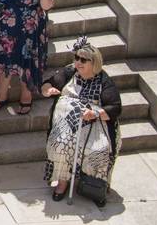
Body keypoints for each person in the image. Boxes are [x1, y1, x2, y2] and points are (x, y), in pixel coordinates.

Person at [42, 37, 122, 206]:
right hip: (66, 124)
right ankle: (62, 182)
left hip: (95, 125)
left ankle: (95, 186)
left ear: (94, 63)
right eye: (76, 58)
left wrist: (95, 112)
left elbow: (115, 108)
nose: (78, 63)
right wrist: (48, 90)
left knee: (98, 150)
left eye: (83, 60)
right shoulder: (70, 72)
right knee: (60, 144)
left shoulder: (104, 82)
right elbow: (48, 83)